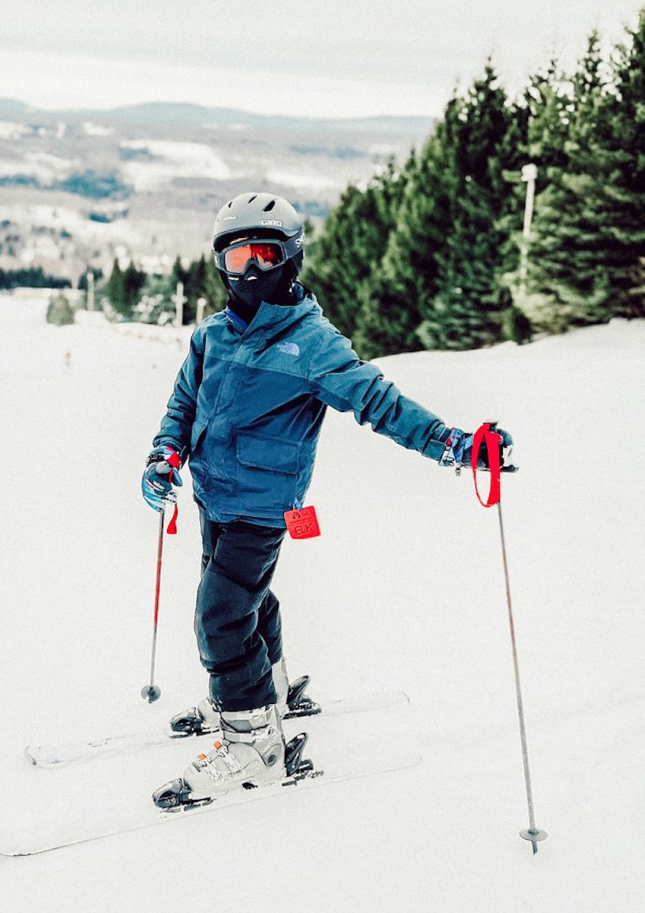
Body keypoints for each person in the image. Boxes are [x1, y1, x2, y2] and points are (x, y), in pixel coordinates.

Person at [141, 191, 513, 808]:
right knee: (247, 602)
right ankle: (271, 696)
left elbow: (380, 402)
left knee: (221, 615)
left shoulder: (313, 344)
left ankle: (255, 745)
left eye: (264, 254)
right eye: (237, 259)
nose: (252, 271)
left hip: (263, 507)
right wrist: (164, 453)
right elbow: (184, 403)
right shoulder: (210, 336)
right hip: (213, 495)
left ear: (290, 259)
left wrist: (454, 444)